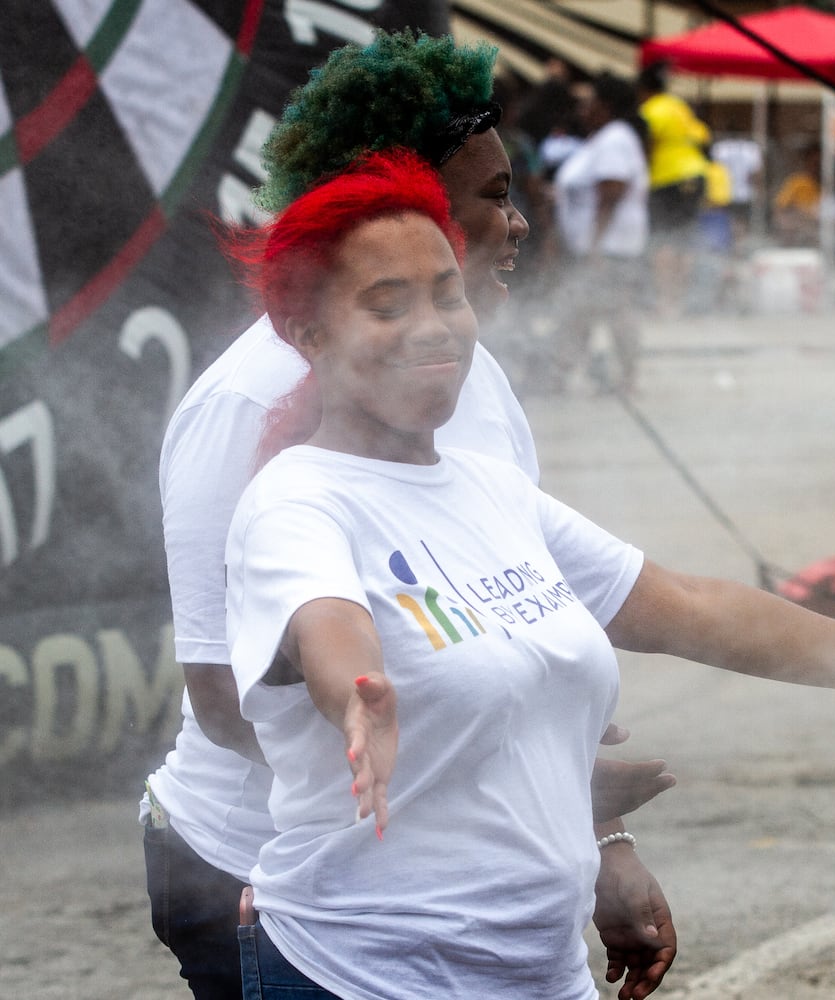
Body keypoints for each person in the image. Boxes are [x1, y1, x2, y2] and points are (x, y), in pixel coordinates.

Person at [224, 147, 835, 999]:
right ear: (308, 331)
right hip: (359, 972)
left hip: (540, 972)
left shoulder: (490, 489)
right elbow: (326, 618)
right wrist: (357, 695)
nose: (434, 325)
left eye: (447, 293)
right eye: (386, 305)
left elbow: (691, 606)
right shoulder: (297, 501)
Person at [142, 31, 675, 1000]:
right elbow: (224, 697)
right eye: (491, 198)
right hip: (254, 881)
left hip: (441, 883)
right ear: (401, 208)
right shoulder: (244, 406)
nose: (518, 224)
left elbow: (515, 640)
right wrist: (470, 786)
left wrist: (598, 838)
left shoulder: (477, 380)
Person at [550, 73, 651, 395]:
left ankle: (623, 377)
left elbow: (611, 191)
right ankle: (564, 373)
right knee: (585, 310)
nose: (583, 108)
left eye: (590, 101)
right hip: (600, 246)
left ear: (605, 106)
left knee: (610, 310)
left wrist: (595, 244)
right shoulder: (603, 139)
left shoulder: (614, 139)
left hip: (609, 247)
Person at [637, 61, 712, 317]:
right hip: (696, 174)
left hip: (667, 178)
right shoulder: (679, 106)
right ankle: (680, 301)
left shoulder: (650, 110)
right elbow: (703, 136)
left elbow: (647, 146)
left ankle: (665, 301)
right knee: (684, 241)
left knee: (664, 241)